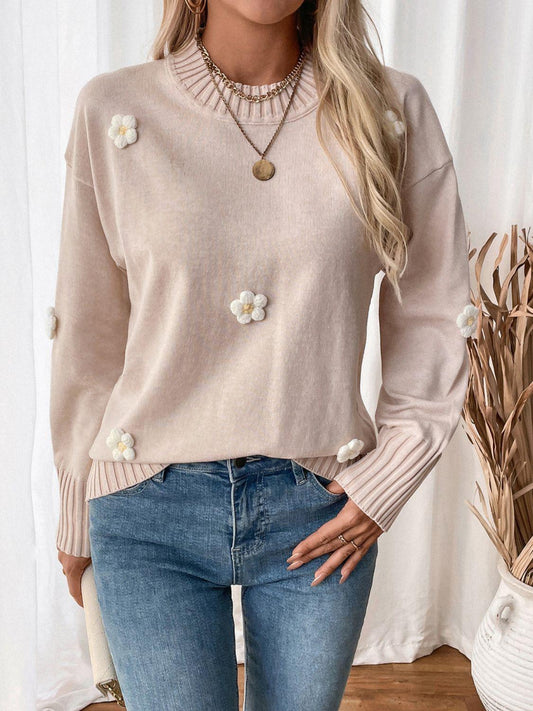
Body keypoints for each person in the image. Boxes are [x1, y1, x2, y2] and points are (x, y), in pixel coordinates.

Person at [49, 0, 471, 709]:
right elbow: (87, 333)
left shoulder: (388, 109)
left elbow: (435, 311)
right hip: (144, 508)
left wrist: (388, 476)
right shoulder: (115, 111)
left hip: (320, 507)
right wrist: (74, 506)